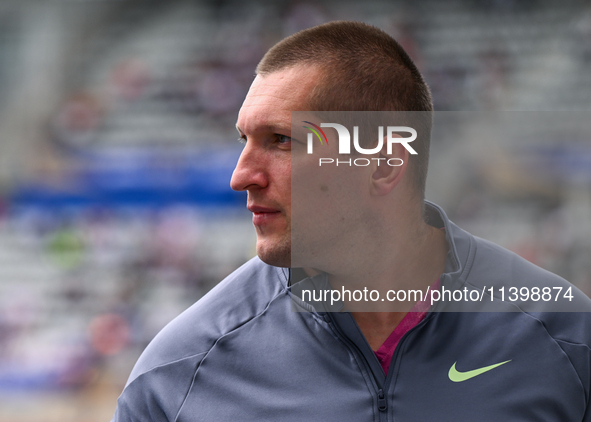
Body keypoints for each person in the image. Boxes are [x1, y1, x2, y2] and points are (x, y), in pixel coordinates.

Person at [112, 21, 591, 421]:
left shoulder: (566, 339)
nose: (241, 176)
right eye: (244, 139)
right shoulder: (179, 375)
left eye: (280, 140)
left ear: (383, 162)